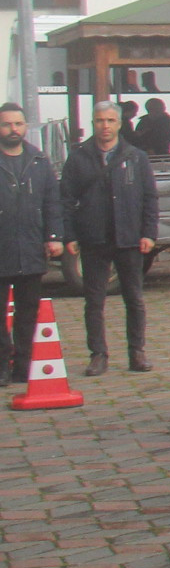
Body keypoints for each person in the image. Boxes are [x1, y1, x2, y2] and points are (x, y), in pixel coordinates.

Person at [61, 100, 157, 377]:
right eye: (100, 121)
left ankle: (137, 352)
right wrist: (69, 234)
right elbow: (65, 198)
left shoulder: (136, 157)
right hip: (93, 238)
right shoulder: (78, 157)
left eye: (110, 121)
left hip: (128, 237)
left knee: (134, 298)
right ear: (93, 123)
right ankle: (98, 354)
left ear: (119, 123)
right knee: (94, 301)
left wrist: (149, 233)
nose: (105, 126)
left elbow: (149, 198)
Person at [0, 101, 61, 388]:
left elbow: (52, 201)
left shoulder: (39, 160)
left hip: (31, 249)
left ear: (25, 127)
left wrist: (54, 236)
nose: (13, 129)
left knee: (27, 315)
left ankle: (23, 367)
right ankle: (2, 366)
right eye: (6, 124)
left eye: (18, 124)